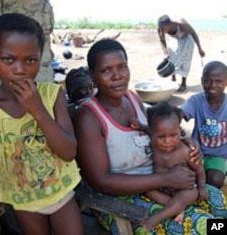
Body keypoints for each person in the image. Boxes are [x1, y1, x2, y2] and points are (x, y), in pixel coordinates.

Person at [73, 38, 227, 235]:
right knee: (206, 226)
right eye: (106, 70)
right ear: (92, 75)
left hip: (163, 179)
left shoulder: (132, 98)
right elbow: (101, 182)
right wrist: (164, 179)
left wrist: (184, 142)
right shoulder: (88, 117)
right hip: (124, 199)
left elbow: (156, 133)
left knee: (218, 202)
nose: (117, 76)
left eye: (122, 67)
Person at [0, 13, 84, 235]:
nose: (20, 69)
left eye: (30, 60)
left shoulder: (53, 96)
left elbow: (69, 152)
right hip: (23, 201)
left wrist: (37, 109)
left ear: (40, 57)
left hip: (61, 193)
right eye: (8, 59)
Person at [130, 102, 208, 231]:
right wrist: (139, 126)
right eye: (161, 137)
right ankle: (176, 208)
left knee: (188, 195)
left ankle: (158, 217)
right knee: (147, 189)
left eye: (173, 135)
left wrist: (202, 186)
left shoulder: (185, 151)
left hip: (184, 189)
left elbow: (199, 169)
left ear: (180, 131)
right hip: (162, 189)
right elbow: (148, 129)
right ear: (153, 133)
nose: (167, 141)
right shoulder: (154, 143)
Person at [181, 60, 227, 189]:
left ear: (226, 81)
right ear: (202, 81)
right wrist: (174, 125)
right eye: (208, 80)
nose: (213, 85)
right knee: (184, 178)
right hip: (195, 152)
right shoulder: (196, 101)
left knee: (216, 180)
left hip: (218, 155)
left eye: (218, 81)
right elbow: (179, 113)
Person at [157, 14, 205, 92]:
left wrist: (200, 48)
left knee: (185, 61)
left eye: (163, 28)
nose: (161, 29)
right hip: (175, 39)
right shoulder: (160, 28)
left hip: (187, 39)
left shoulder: (181, 24)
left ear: (169, 24)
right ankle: (173, 77)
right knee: (171, 56)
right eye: (160, 27)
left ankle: (183, 83)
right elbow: (162, 40)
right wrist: (165, 53)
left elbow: (193, 33)